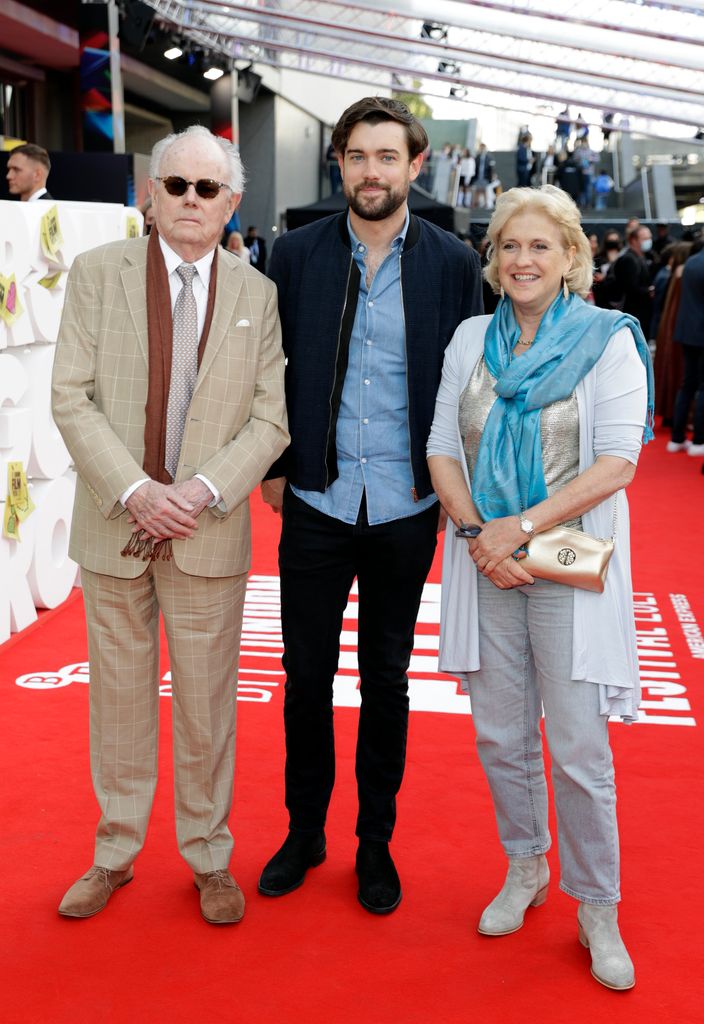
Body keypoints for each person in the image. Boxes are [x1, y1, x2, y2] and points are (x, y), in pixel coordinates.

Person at [51, 125, 289, 925]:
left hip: (207, 532)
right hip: (116, 524)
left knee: (206, 705)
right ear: (149, 193)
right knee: (117, 701)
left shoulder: (258, 293)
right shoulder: (95, 273)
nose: (191, 201)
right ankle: (114, 853)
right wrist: (136, 490)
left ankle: (209, 856)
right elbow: (70, 397)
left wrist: (199, 491)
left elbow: (270, 419)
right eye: (176, 185)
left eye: (208, 189)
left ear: (233, 203)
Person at [257, 96, 483, 915]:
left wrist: (458, 495)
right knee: (304, 676)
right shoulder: (296, 253)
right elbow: (269, 369)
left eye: (388, 157)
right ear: (340, 164)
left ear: (416, 167)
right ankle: (304, 830)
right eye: (357, 156)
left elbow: (469, 391)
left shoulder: (454, 263)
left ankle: (374, 843)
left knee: (385, 680)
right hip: (316, 500)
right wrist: (277, 470)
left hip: (404, 506)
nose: (372, 172)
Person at [427, 184, 653, 991]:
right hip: (484, 552)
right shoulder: (469, 340)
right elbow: (441, 446)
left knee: (579, 747)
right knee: (499, 731)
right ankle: (525, 867)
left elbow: (617, 462)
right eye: (510, 247)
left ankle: (597, 905)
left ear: (570, 259)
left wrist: (519, 531)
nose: (523, 260)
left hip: (567, 558)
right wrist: (479, 537)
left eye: (540, 248)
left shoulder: (607, 340)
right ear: (493, 259)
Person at [668, 241, 704, 455]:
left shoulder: (691, 261)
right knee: (701, 387)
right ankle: (699, 441)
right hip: (700, 334)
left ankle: (677, 437)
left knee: (688, 384)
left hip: (687, 331)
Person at [613, 225, 655, 335]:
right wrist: (648, 291)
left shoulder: (643, 256)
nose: (649, 241)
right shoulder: (628, 259)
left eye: (649, 238)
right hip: (633, 313)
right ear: (633, 240)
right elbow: (630, 287)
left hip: (641, 312)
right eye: (645, 239)